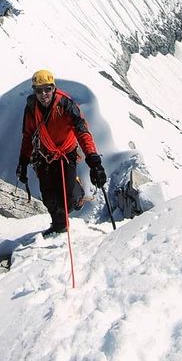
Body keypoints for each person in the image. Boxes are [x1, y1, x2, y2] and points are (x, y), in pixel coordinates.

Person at [16, 69, 106, 237]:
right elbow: (28, 136)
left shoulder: (66, 105)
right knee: (49, 197)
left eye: (47, 89)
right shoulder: (31, 108)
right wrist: (23, 161)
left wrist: (94, 162)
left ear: (54, 88)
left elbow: (82, 132)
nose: (43, 94)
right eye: (39, 90)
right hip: (44, 156)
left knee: (68, 201)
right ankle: (60, 226)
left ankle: (78, 195)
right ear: (34, 91)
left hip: (66, 154)